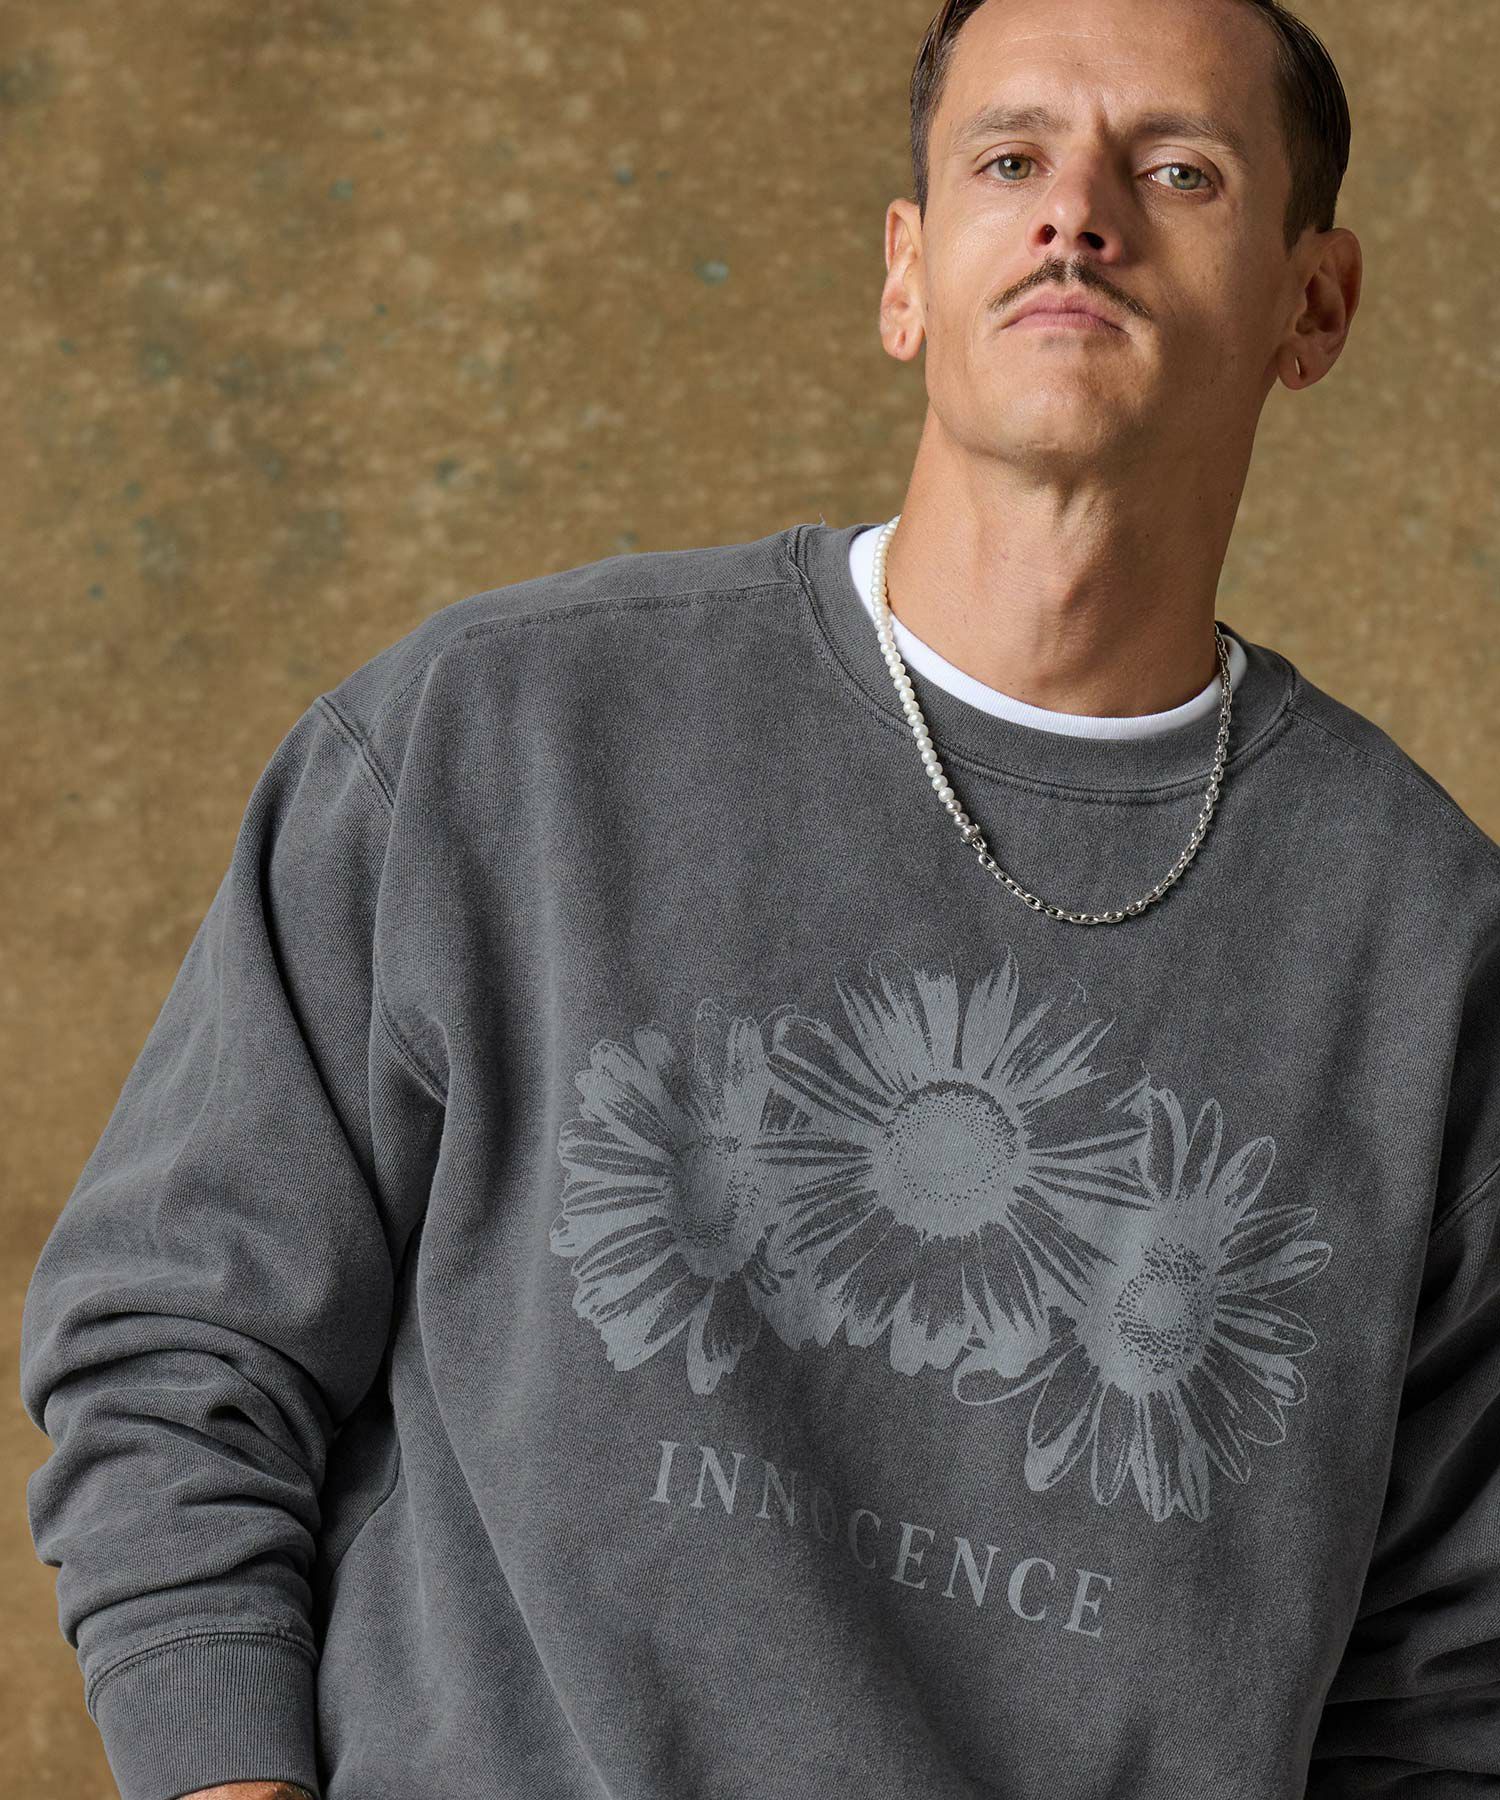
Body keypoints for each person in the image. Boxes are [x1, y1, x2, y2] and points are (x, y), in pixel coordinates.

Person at [19, 0, 1500, 1795]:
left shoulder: (1431, 950)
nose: (1077, 215)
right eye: (1009, 160)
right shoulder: (502, 740)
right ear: (907, 275)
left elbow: (1452, 1681)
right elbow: (175, 1350)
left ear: (1313, 306)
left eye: (1178, 171)